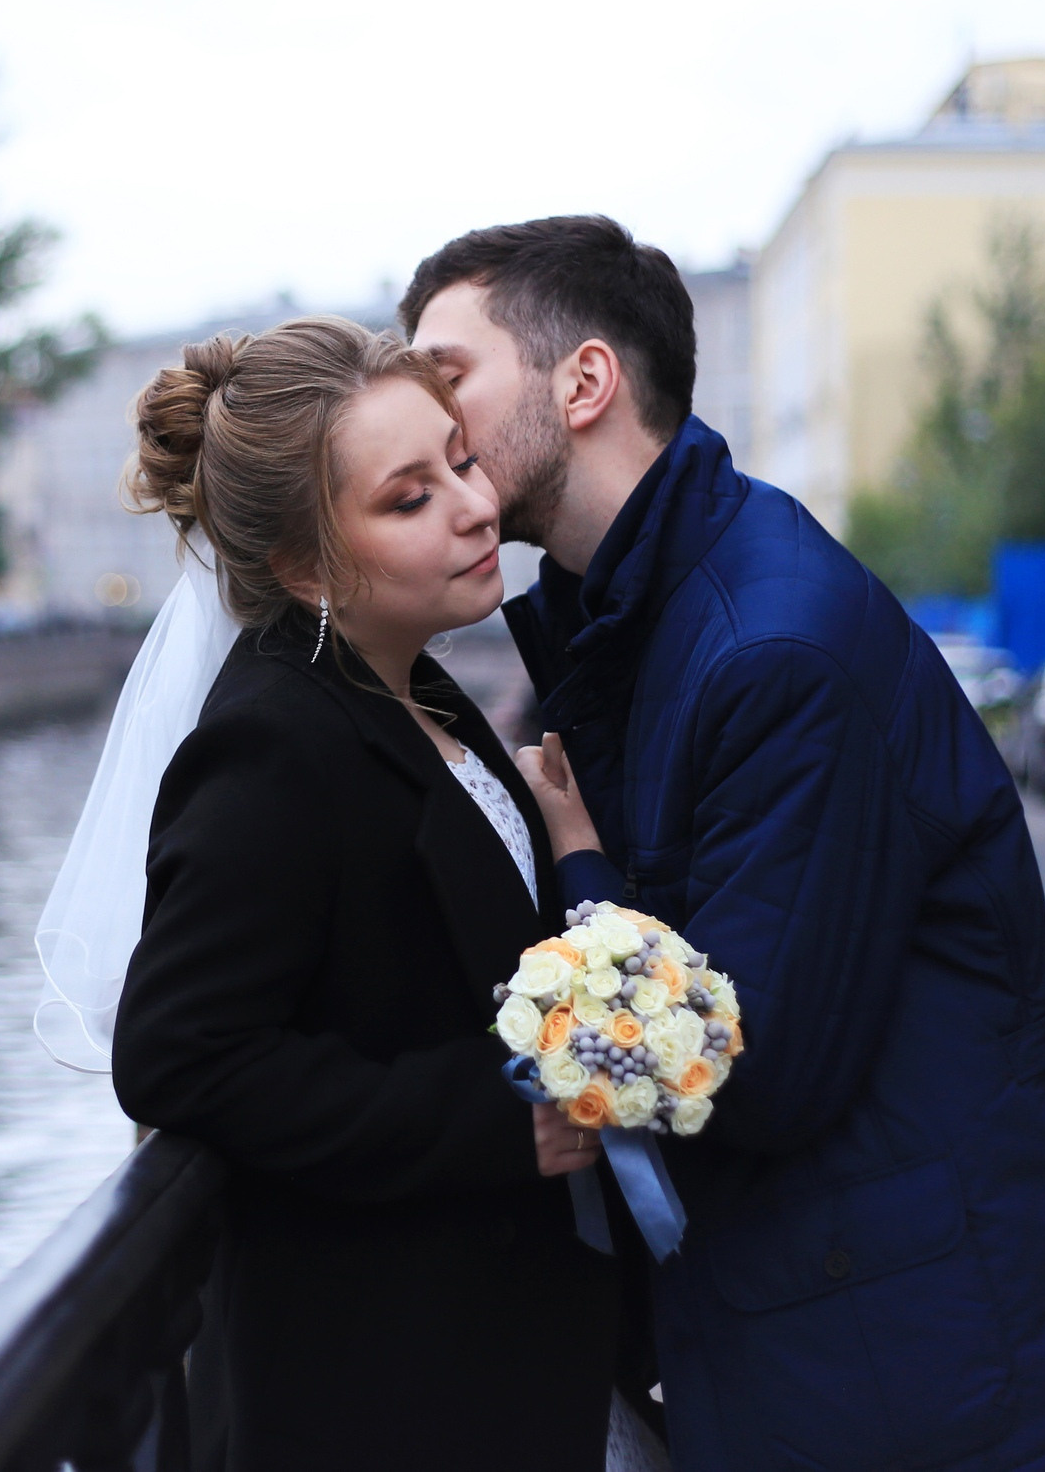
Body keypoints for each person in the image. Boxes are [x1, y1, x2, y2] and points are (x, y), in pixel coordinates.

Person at [403, 216, 1045, 1472]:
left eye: (448, 377)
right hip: (855, 1317)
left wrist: (581, 868)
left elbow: (750, 1061)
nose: (425, 421)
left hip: (916, 1360)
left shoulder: (770, 650)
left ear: (582, 383)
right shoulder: (648, 620)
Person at [106, 316, 629, 1472]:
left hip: (488, 1355)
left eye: (457, 458)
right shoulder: (273, 743)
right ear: (304, 568)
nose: (474, 504)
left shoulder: (415, 690)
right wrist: (501, 1115)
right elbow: (179, 1056)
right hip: (378, 1391)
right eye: (408, 498)